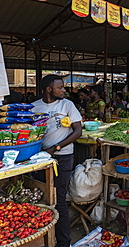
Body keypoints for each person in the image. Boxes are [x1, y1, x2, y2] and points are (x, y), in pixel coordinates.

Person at [31, 74, 82, 247]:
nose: (64, 90)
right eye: (60, 87)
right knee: (41, 197)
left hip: (63, 157)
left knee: (59, 199)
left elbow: (77, 132)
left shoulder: (67, 104)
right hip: (40, 159)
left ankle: (63, 243)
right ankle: (43, 239)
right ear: (48, 89)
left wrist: (56, 148)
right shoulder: (33, 107)